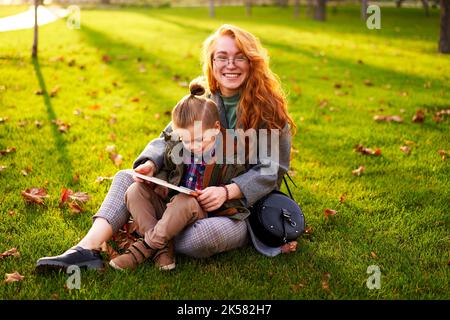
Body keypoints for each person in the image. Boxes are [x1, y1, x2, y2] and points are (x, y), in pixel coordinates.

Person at [35, 24, 295, 273]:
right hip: (186, 195)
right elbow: (170, 135)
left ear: (252, 61)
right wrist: (150, 162)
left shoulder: (268, 109)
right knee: (126, 178)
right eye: (222, 57)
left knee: (199, 239)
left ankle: (153, 239)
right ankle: (85, 249)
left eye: (239, 57)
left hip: (236, 210)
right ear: (212, 62)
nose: (230, 65)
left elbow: (272, 170)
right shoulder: (203, 94)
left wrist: (227, 191)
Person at [109, 80, 250, 271]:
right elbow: (167, 168)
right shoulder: (178, 147)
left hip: (202, 214)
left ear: (216, 128)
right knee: (135, 190)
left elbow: (239, 189)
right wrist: (155, 178)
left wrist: (222, 193)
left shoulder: (231, 153)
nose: (193, 146)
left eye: (199, 139)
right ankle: (163, 249)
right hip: (172, 207)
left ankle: (142, 249)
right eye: (185, 140)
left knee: (185, 201)